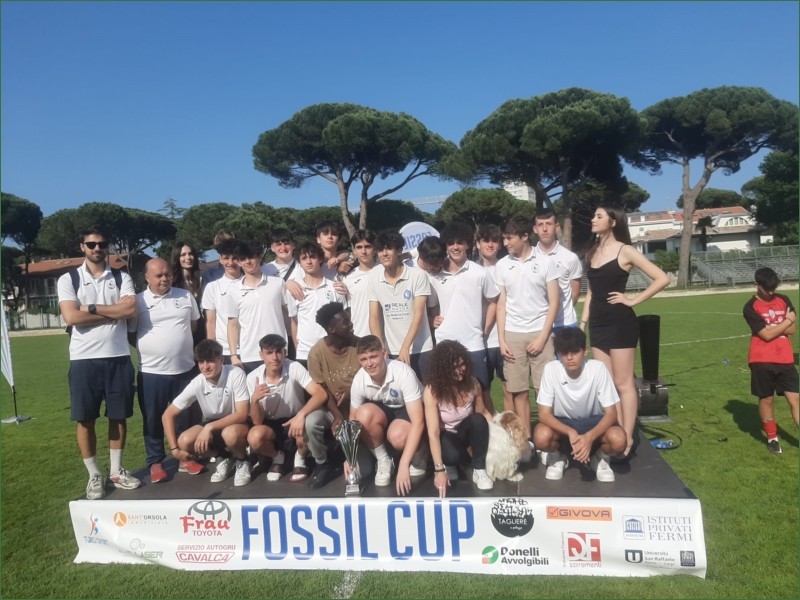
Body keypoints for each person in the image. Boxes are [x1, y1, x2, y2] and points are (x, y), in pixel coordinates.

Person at [579, 204, 669, 456]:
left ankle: (627, 439)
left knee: (623, 383)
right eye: (594, 215)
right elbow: (591, 293)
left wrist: (632, 300)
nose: (593, 219)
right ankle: (616, 432)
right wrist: (583, 323)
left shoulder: (626, 250)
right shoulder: (592, 252)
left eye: (599, 216)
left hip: (620, 323)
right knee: (606, 385)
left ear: (613, 222)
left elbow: (662, 278)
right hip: (597, 324)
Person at [57, 226, 141, 499]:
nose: (97, 248)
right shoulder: (69, 278)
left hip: (118, 357)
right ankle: (94, 474)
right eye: (91, 244)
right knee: (86, 419)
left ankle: (116, 471)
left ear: (107, 247)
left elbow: (130, 309)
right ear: (82, 247)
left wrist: (91, 308)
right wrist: (114, 312)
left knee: (119, 416)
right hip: (84, 359)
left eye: (102, 244)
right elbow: (71, 318)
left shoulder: (121, 277)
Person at [129, 258, 203, 483]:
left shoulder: (185, 296)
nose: (164, 279)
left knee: (185, 417)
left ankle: (185, 457)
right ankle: (155, 461)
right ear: (147, 278)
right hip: (151, 372)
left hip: (185, 370)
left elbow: (193, 327)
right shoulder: (138, 301)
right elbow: (131, 334)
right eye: (159, 275)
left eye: (167, 274)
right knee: (152, 419)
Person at [495, 216, 560, 448]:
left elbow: (554, 302)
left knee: (544, 391)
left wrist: (543, 337)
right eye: (504, 238)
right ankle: (527, 444)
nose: (505, 243)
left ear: (524, 236)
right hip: (512, 335)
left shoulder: (546, 262)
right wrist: (502, 339)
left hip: (540, 333)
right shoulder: (502, 265)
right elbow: (501, 303)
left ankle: (549, 442)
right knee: (518, 392)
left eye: (509, 238)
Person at [533, 328, 627, 482]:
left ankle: (600, 457)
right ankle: (558, 457)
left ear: (585, 351)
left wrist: (589, 437)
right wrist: (570, 432)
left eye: (575, 352)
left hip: (592, 422)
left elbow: (611, 413)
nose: (569, 357)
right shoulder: (551, 369)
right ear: (558, 353)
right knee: (541, 437)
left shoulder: (598, 368)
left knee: (619, 440)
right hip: (563, 424)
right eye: (564, 353)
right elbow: (543, 414)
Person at [161, 340, 252, 486]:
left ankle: (243, 460)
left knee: (230, 433)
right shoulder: (197, 382)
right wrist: (174, 449)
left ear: (221, 360)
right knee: (184, 441)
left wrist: (209, 428)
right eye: (201, 362)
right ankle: (224, 456)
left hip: (238, 423)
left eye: (210, 361)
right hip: (215, 423)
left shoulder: (235, 373)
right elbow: (168, 414)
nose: (205, 367)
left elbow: (242, 414)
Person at [430, 222, 499, 411]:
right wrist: (431, 319)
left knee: (482, 395)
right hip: (444, 345)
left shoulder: (480, 273)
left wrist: (484, 330)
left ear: (468, 244)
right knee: (447, 396)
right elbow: (431, 306)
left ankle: (489, 429)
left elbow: (494, 302)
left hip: (473, 344)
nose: (455, 247)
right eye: (450, 243)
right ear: (445, 246)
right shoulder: (434, 275)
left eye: (460, 242)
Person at [349, 336, 427, 494]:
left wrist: (403, 465)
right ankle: (383, 460)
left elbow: (418, 421)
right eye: (364, 359)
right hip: (386, 408)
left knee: (397, 437)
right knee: (362, 415)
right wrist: (350, 456)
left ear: (384, 353)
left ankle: (421, 450)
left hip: (411, 408)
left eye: (373, 357)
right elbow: (352, 419)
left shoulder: (403, 373)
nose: (369, 364)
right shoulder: (359, 379)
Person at [246, 334, 328, 482]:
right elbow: (257, 421)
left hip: (294, 418)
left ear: (284, 352)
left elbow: (321, 394)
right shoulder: (253, 377)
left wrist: (301, 415)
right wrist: (255, 400)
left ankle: (300, 458)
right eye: (269, 353)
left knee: (307, 425)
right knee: (254, 437)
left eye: (278, 352)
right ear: (261, 355)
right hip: (270, 423)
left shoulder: (294, 367)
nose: (275, 357)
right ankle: (278, 458)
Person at [423, 341, 494, 496]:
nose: (460, 370)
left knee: (478, 419)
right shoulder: (432, 391)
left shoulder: (473, 383)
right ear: (443, 369)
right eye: (454, 367)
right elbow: (433, 433)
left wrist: (501, 435)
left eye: (462, 364)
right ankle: (449, 464)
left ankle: (479, 469)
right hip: (445, 435)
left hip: (464, 433)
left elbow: (483, 414)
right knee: (452, 454)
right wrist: (439, 469)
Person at [305, 303, 363, 488]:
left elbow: (371, 379)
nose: (351, 324)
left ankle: (367, 457)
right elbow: (322, 390)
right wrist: (337, 415)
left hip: (359, 407)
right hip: (331, 409)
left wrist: (351, 391)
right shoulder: (316, 353)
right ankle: (322, 464)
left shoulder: (359, 345)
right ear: (331, 329)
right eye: (345, 322)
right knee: (311, 422)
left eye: (349, 320)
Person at [743, 267, 799, 455]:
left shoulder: (784, 300)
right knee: (767, 399)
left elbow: (792, 330)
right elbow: (766, 335)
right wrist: (786, 321)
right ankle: (772, 438)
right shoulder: (750, 307)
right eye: (766, 289)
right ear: (756, 285)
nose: (770, 292)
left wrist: (774, 328)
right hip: (761, 360)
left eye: (773, 288)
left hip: (785, 358)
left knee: (796, 400)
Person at [368, 230, 435, 381]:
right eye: (380, 250)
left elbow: (418, 314)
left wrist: (405, 347)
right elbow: (373, 318)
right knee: (397, 394)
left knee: (427, 392)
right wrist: (381, 348)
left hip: (421, 349)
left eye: (389, 248)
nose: (384, 253)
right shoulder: (373, 280)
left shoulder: (418, 275)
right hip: (391, 350)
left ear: (399, 250)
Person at [223, 241, 292, 374]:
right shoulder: (232, 290)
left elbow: (291, 314)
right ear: (239, 262)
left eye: (251, 257)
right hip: (250, 355)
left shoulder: (278, 283)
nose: (248, 262)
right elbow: (232, 325)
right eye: (243, 259)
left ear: (260, 257)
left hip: (278, 352)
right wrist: (233, 355)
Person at [288, 242, 349, 369]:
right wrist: (297, 347)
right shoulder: (294, 291)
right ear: (300, 263)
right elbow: (294, 322)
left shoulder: (335, 287)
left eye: (312, 257)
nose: (309, 261)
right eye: (304, 258)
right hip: (305, 353)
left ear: (320, 259)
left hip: (332, 351)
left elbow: (344, 319)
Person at [475, 224, 512, 417]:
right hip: (479, 342)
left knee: (509, 388)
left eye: (494, 241)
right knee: (482, 390)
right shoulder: (471, 270)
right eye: (485, 240)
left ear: (500, 244)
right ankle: (493, 428)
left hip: (506, 339)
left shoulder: (507, 267)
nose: (490, 244)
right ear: (477, 244)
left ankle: (512, 430)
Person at [533, 209, 583, 333]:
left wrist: (559, 312)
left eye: (549, 224)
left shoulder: (570, 258)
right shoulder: (529, 258)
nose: (545, 229)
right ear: (535, 229)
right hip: (537, 325)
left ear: (557, 227)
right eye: (540, 225)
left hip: (565, 324)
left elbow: (575, 293)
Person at [285, 221, 350, 301]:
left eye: (334, 234)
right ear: (318, 239)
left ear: (339, 240)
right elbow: (295, 282)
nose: (330, 237)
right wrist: (289, 282)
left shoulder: (346, 262)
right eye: (325, 234)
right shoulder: (309, 264)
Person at [202, 238, 242, 364]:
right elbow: (210, 322)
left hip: (250, 349)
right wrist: (211, 350)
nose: (231, 262)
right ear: (220, 259)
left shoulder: (251, 284)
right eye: (226, 258)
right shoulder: (212, 287)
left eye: (235, 258)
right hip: (223, 350)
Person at [266, 228, 299, 359]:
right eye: (278, 244)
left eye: (286, 243)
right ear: (272, 248)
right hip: (275, 331)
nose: (283, 248)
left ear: (293, 245)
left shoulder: (303, 266)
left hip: (299, 330)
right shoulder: (265, 270)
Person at [343, 229, 378, 337]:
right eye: (359, 247)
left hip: (385, 337)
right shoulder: (347, 278)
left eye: (367, 246)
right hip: (359, 336)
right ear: (354, 250)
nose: (364, 251)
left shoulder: (386, 271)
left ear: (375, 248)